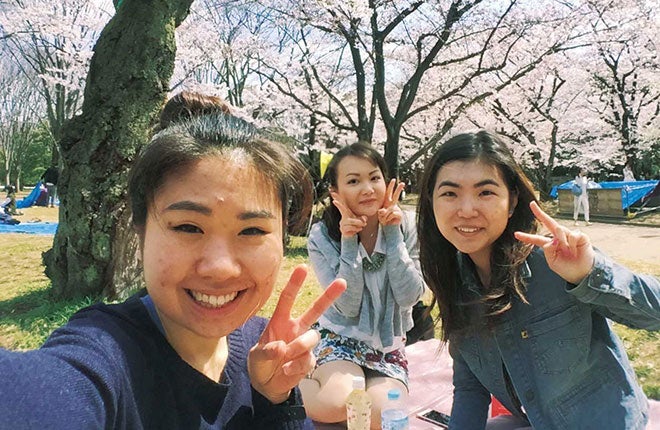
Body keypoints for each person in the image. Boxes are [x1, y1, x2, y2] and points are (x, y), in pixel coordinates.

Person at [0, 113, 347, 429]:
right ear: (140, 231)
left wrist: (275, 401)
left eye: (252, 231)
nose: (220, 268)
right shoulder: (106, 356)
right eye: (187, 227)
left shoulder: (267, 347)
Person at [416, 130, 660, 430]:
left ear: (512, 200)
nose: (467, 210)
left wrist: (591, 273)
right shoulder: (454, 281)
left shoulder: (554, 260)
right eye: (450, 193)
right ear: (432, 202)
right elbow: (471, 388)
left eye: (486, 192)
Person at [301, 143, 426, 428]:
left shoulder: (407, 225)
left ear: (386, 181)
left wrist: (393, 237)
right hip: (339, 338)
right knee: (337, 403)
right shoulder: (322, 237)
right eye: (354, 181)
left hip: (388, 348)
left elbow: (410, 296)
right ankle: (292, 381)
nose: (367, 188)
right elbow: (346, 306)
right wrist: (348, 242)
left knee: (383, 415)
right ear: (336, 192)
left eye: (374, 177)